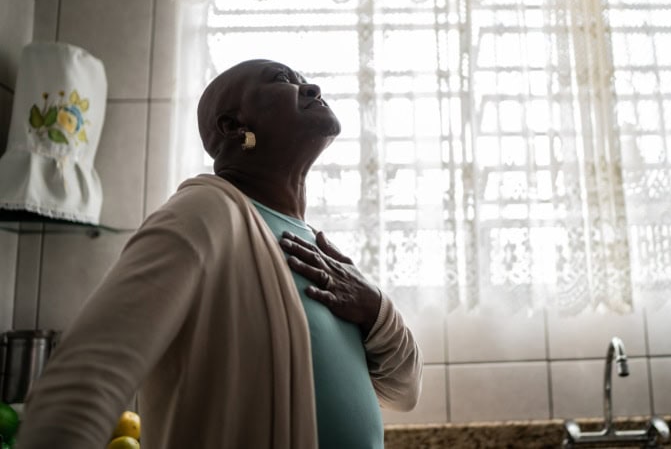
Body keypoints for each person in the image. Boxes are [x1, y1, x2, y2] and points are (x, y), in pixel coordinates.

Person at [16, 59, 423, 449]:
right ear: (233, 126)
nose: (312, 88)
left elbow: (404, 391)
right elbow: (81, 381)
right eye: (283, 79)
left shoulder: (316, 248)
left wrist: (375, 309)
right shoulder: (205, 213)